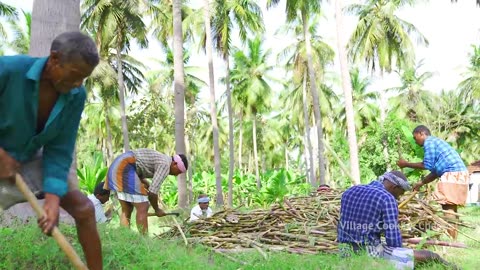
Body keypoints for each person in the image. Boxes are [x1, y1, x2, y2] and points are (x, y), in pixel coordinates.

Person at [0, 31, 102, 269]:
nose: (78, 84)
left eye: (84, 78)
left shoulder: (75, 95)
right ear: (54, 59)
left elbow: (59, 148)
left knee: (84, 209)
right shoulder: (9, 70)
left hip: (24, 159)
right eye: (75, 75)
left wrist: (53, 198)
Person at [338, 171, 457, 270]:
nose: (398, 198)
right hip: (369, 252)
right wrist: (402, 251)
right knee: (430, 256)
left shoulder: (350, 191)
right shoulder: (387, 198)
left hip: (344, 251)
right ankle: (453, 268)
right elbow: (393, 241)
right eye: (400, 194)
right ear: (394, 187)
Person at [397, 125, 469, 239]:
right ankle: (453, 239)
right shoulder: (436, 143)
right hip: (460, 174)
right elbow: (435, 171)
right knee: (451, 208)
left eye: (415, 138)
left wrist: (406, 164)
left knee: (447, 208)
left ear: (421, 133)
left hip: (452, 174)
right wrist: (421, 183)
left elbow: (426, 165)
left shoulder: (429, 142)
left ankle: (452, 241)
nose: (415, 142)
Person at [105, 149, 188, 234]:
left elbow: (139, 165)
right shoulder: (165, 165)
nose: (177, 174)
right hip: (125, 167)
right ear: (174, 164)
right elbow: (152, 193)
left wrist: (145, 182)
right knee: (143, 206)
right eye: (178, 171)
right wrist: (157, 209)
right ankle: (145, 240)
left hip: (117, 165)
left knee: (127, 208)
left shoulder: (162, 159)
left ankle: (124, 236)